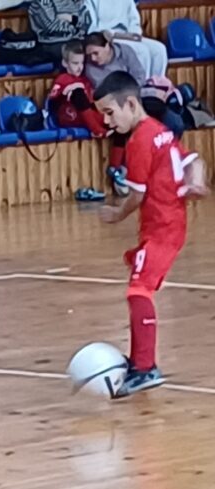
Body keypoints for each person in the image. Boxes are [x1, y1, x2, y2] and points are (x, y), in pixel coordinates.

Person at [94, 71, 207, 397]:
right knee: (138, 289)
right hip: (167, 226)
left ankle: (145, 368)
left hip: (163, 229)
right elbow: (193, 160)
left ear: (131, 104)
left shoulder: (140, 140)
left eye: (110, 113)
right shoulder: (159, 131)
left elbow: (137, 195)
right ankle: (139, 362)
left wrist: (117, 214)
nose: (107, 122)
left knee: (138, 292)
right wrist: (196, 180)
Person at [87, 0, 167, 78]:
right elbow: (92, 27)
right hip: (108, 36)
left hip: (127, 35)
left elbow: (133, 19)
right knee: (142, 51)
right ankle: (143, 83)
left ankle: (157, 83)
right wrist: (109, 34)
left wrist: (133, 34)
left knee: (159, 49)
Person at [49, 41, 107, 137]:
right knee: (78, 92)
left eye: (82, 63)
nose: (80, 67)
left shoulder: (85, 80)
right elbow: (52, 102)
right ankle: (96, 130)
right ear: (65, 63)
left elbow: (91, 101)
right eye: (75, 63)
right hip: (68, 116)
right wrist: (66, 92)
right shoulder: (62, 79)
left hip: (87, 116)